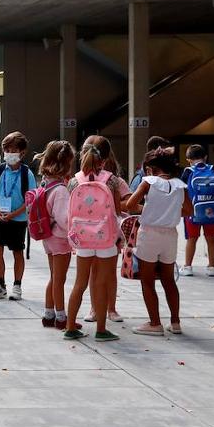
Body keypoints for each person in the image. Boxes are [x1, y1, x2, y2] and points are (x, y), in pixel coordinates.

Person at [62, 135, 130, 341]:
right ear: (105, 159)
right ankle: (101, 329)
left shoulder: (74, 181)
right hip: (106, 238)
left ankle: (70, 326)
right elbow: (118, 211)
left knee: (79, 283)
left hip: (82, 239)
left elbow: (69, 212)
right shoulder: (112, 180)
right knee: (101, 282)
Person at [124, 146, 188, 336]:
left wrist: (151, 209)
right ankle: (175, 322)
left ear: (151, 168)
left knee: (148, 280)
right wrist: (169, 211)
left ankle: (155, 323)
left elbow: (130, 205)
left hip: (149, 234)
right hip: (170, 235)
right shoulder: (180, 185)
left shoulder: (149, 182)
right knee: (169, 280)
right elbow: (189, 211)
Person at [0, 132, 38, 301]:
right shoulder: (0, 169)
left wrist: (13, 214)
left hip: (18, 219)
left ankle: (17, 285)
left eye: (13, 150)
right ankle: (0, 285)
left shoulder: (26, 174)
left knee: (17, 251)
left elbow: (30, 200)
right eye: (7, 149)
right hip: (0, 217)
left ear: (22, 152)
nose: (9, 153)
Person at [36, 141, 75, 330]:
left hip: (48, 237)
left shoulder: (45, 184)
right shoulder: (60, 190)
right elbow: (64, 220)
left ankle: (48, 314)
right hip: (60, 239)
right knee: (59, 279)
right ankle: (61, 317)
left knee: (53, 277)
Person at [181, 144, 214, 277]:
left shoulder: (188, 172)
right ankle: (212, 267)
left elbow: (182, 190)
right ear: (205, 157)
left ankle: (188, 267)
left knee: (192, 238)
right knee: (211, 238)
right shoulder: (213, 170)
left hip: (193, 210)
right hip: (211, 208)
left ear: (188, 159)